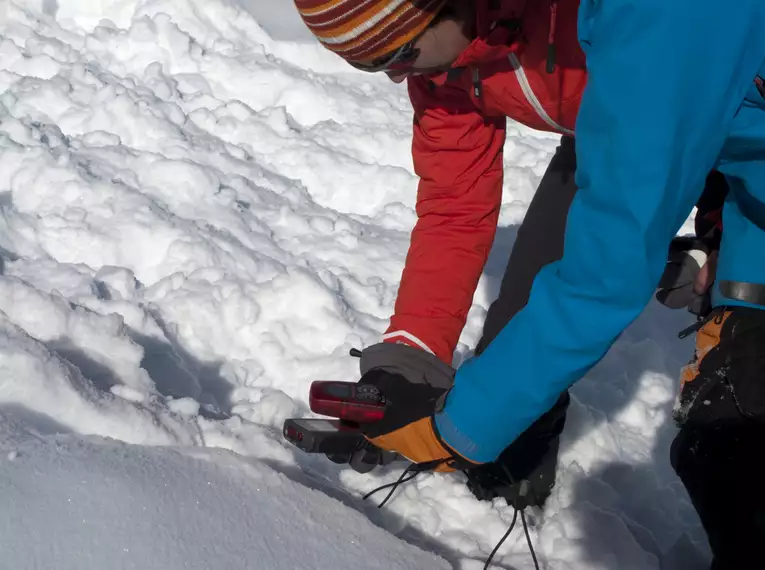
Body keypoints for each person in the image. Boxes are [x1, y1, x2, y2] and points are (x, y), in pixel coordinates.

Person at [291, 0, 733, 514]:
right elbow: (455, 209)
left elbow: (604, 276)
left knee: (739, 386)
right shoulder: (441, 66)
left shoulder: (589, 15)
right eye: (371, 65)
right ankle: (507, 476)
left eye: (397, 54)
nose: (395, 77)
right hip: (611, 127)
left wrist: (720, 228)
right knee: (513, 349)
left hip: (719, 108)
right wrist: (409, 361)